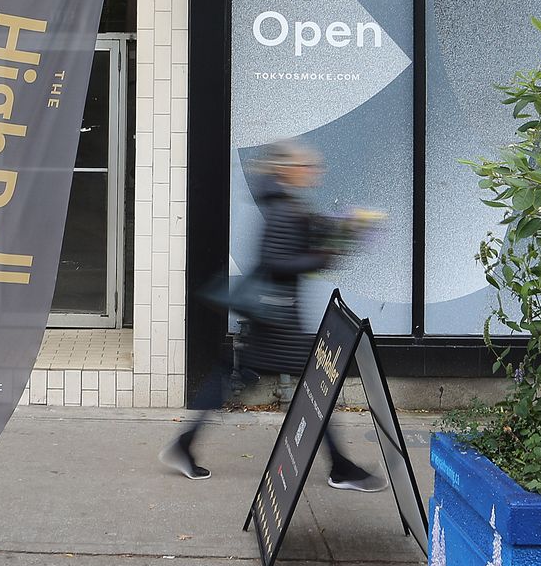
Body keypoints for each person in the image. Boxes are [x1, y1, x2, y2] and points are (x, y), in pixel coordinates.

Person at [159, 140, 387, 492]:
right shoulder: (283, 207)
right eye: (309, 167)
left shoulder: (286, 203)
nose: (316, 173)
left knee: (239, 381)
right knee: (315, 386)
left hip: (276, 319)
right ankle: (340, 467)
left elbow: (304, 238)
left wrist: (344, 230)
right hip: (278, 323)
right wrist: (323, 257)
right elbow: (276, 261)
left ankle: (183, 446)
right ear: (288, 171)